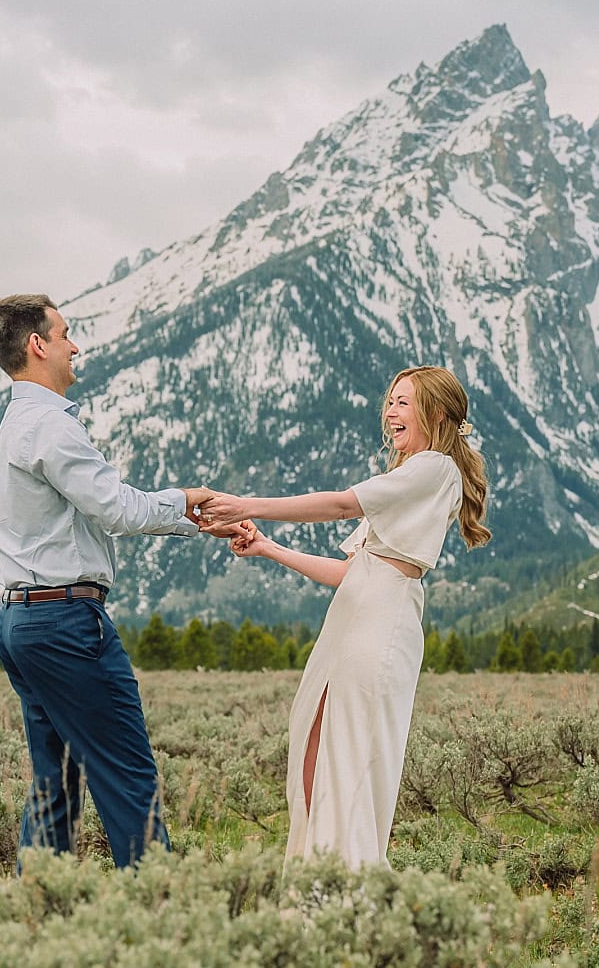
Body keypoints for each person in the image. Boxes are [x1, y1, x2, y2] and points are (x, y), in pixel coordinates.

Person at [198, 365, 491, 868]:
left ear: (436, 413)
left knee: (348, 759)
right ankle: (319, 884)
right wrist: (268, 548)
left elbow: (339, 505)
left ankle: (347, 896)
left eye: (404, 401)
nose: (391, 410)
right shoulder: (409, 475)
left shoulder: (435, 468)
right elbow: (351, 572)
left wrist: (247, 504)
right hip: (355, 613)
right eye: (392, 401)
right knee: (314, 748)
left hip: (382, 622)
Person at [0, 293, 221, 868]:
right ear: (38, 346)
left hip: (21, 620)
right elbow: (115, 509)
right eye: (64, 334)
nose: (74, 345)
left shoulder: (17, 424)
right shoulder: (50, 427)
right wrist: (188, 504)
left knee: (54, 783)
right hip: (65, 623)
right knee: (127, 774)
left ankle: (36, 914)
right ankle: (157, 913)